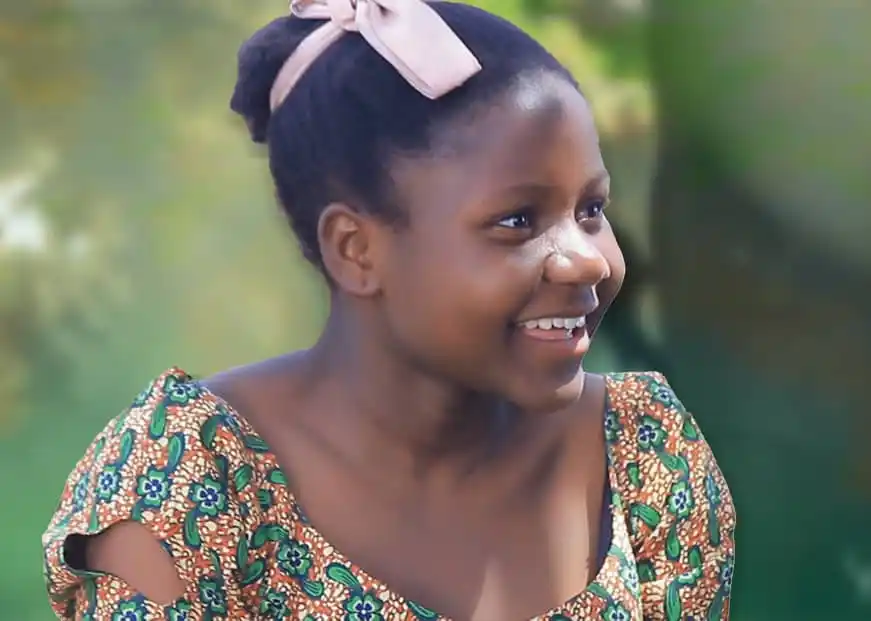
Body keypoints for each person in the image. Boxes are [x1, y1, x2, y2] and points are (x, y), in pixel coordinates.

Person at [41, 1, 736, 619]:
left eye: (590, 209)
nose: (587, 260)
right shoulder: (187, 481)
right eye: (517, 220)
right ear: (356, 249)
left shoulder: (641, 452)